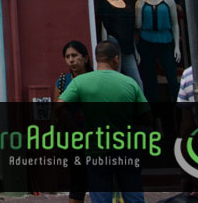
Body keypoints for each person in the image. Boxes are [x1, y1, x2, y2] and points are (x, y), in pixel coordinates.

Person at [56, 39, 152, 203]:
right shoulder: (130, 83)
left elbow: (59, 107)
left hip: (96, 149)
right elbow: (146, 117)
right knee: (133, 195)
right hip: (126, 148)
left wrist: (76, 131)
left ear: (95, 58)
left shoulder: (80, 82)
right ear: (116, 59)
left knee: (100, 196)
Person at [53, 40, 92, 203]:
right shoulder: (63, 81)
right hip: (74, 138)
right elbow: (56, 109)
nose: (71, 60)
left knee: (100, 178)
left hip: (96, 136)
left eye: (75, 55)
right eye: (67, 56)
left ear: (86, 58)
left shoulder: (95, 79)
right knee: (77, 181)